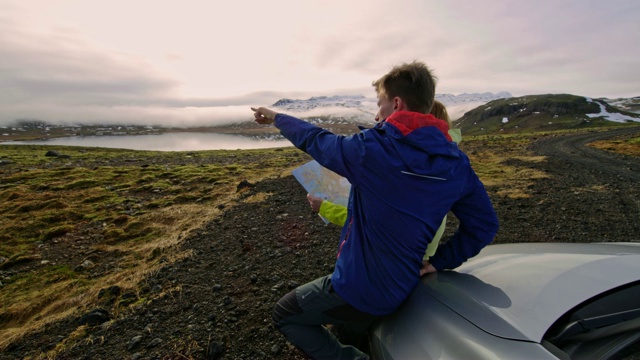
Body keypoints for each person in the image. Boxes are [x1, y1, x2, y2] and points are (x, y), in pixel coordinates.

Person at [252, 60, 499, 360]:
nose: (376, 112)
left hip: (361, 288)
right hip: (404, 281)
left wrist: (277, 116)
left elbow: (317, 140)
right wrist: (441, 261)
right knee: (353, 326)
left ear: (396, 103)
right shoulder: (456, 163)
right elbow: (484, 225)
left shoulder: (371, 151)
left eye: (379, 103)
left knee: (286, 313)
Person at [305, 100, 458, 259]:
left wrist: (324, 208)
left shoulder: (406, 174)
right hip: (418, 260)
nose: (378, 118)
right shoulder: (440, 167)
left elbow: (369, 223)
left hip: (392, 267)